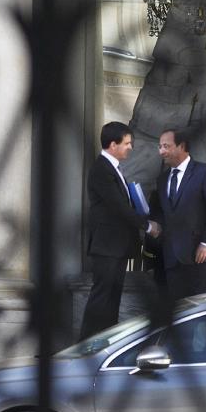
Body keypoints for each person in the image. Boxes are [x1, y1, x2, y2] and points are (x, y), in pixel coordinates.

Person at [81, 122, 160, 339]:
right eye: (126, 143)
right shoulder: (101, 169)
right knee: (102, 297)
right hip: (107, 246)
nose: (130, 148)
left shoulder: (113, 168)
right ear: (113, 144)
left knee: (112, 298)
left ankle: (106, 343)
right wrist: (147, 226)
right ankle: (86, 344)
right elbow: (118, 207)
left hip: (116, 246)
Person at [152, 128, 206, 302]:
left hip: (201, 258)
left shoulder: (205, 172)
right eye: (159, 146)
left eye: (166, 146)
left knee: (202, 315)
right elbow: (165, 213)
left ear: (181, 146)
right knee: (179, 317)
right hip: (172, 260)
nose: (161, 151)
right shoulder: (162, 179)